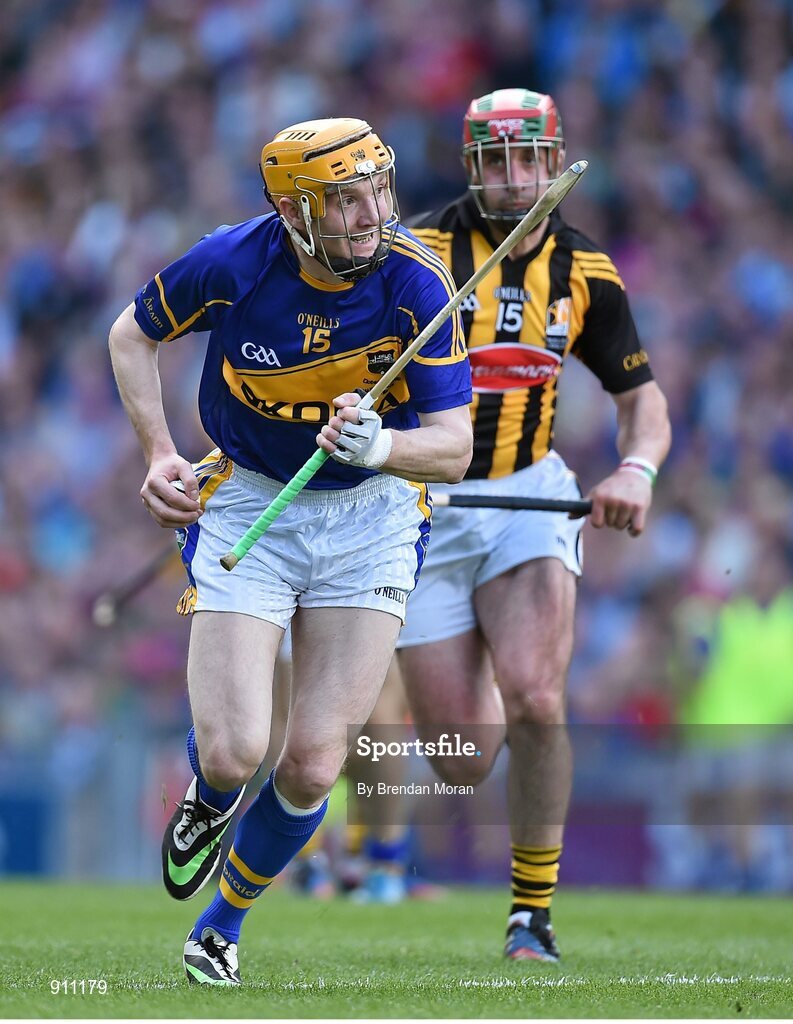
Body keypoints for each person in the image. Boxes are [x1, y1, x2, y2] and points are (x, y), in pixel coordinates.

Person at [108, 116, 473, 986]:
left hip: (373, 516)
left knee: (312, 763)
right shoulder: (231, 262)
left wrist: (379, 446)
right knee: (235, 753)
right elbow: (131, 336)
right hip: (246, 503)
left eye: (376, 190)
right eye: (344, 200)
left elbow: (454, 446)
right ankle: (209, 798)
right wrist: (160, 453)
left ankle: (221, 928)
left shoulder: (419, 281)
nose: (369, 214)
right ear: (294, 213)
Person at [395, 89, 672, 961]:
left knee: (537, 697)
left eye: (527, 160)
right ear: (470, 165)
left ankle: (531, 918)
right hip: (425, 510)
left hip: (527, 500)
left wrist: (634, 467)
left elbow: (643, 402)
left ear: (553, 164)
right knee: (463, 759)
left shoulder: (586, 273)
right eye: (493, 161)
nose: (512, 180)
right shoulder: (417, 254)